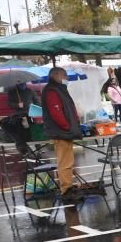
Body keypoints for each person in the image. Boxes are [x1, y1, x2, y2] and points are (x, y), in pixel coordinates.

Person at [42, 67, 83, 199]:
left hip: (65, 131)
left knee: (68, 161)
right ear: (57, 75)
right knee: (65, 162)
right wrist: (67, 126)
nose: (67, 78)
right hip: (61, 132)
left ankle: (69, 186)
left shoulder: (59, 89)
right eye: (65, 76)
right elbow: (56, 112)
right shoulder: (52, 91)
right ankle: (66, 189)